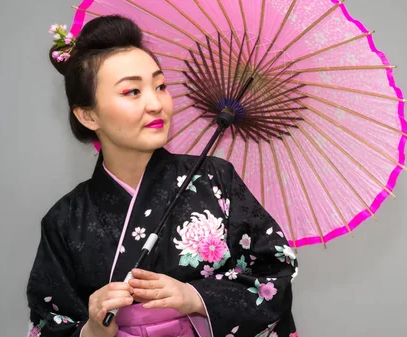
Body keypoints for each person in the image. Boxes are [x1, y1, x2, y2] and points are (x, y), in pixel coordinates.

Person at [26, 15, 299, 337]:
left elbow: (274, 273)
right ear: (88, 114)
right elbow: (49, 322)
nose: (156, 104)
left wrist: (196, 298)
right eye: (132, 92)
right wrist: (91, 331)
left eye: (160, 86)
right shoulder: (65, 219)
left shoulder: (214, 179)